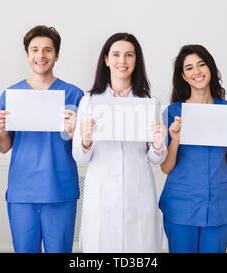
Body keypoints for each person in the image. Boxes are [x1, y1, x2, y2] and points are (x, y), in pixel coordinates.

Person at [72, 33, 167, 253]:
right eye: (116, 54)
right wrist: (86, 140)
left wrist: (158, 144)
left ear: (136, 60)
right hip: (101, 192)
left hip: (138, 191)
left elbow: (156, 159)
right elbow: (80, 157)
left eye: (129, 55)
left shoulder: (149, 103)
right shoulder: (90, 102)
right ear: (106, 59)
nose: (122, 61)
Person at [0, 25, 84, 253]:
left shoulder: (74, 94)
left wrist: (75, 132)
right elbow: (4, 147)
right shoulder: (11, 95)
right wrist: (2, 129)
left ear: (57, 55)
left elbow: (83, 149)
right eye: (35, 50)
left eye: (47, 50)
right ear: (27, 55)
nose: (40, 55)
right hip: (22, 190)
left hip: (59, 189)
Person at [159, 44, 227, 253]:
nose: (197, 72)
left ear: (210, 68)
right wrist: (175, 140)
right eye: (189, 68)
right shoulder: (173, 113)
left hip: (219, 203)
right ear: (183, 75)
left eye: (201, 65)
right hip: (181, 205)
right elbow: (166, 168)